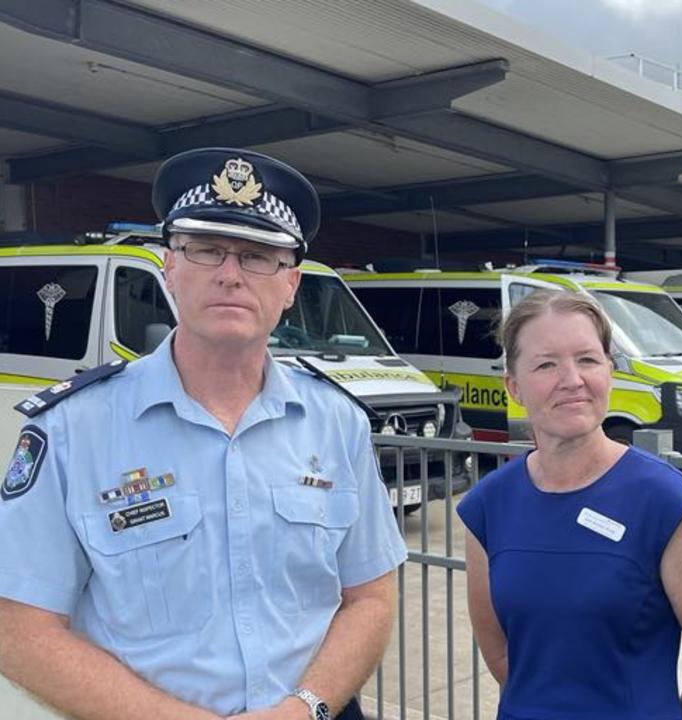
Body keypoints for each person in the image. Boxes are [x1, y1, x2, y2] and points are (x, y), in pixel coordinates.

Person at [0, 147, 407, 720]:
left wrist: (304, 707)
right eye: (207, 249)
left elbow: (369, 597)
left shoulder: (337, 420)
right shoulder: (72, 429)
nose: (230, 274)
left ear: (291, 284)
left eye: (259, 256)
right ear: (169, 266)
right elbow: (19, 629)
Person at [459, 289, 682, 720]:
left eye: (588, 359)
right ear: (513, 387)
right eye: (547, 364)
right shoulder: (486, 508)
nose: (572, 379)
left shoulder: (664, 502)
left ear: (609, 371)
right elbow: (503, 660)